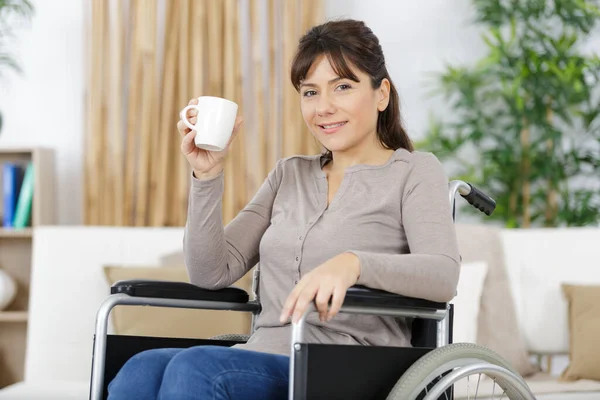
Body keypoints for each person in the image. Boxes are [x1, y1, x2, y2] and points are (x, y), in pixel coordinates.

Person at [107, 18, 460, 400]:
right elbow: (211, 271)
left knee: (196, 369)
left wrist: (353, 263)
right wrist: (206, 175)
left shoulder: (413, 171)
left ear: (381, 94)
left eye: (342, 87)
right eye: (310, 92)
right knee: (141, 368)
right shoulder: (288, 174)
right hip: (262, 356)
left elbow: (443, 273)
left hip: (350, 367)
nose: (323, 108)